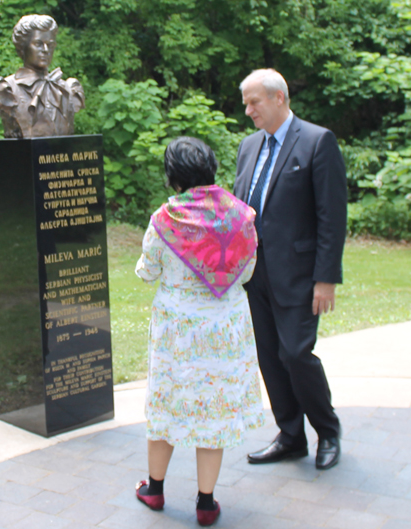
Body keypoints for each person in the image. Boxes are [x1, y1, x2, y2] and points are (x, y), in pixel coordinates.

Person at [135, 136, 264, 526]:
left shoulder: (165, 219)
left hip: (178, 330)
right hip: (224, 329)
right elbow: (247, 272)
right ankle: (206, 503)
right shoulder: (240, 216)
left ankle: (154, 490)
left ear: (174, 177)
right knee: (213, 410)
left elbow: (148, 271)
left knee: (167, 403)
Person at [233, 69, 347, 470]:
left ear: (279, 97)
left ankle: (327, 431)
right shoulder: (248, 147)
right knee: (269, 356)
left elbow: (331, 217)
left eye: (254, 102)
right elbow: (240, 209)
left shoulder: (317, 142)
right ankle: (291, 436)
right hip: (255, 275)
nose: (248, 110)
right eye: (246, 102)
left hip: (300, 275)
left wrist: (326, 278)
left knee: (296, 354)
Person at [0, 14, 85, 138]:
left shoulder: (67, 89)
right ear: (21, 48)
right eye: (38, 44)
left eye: (50, 45)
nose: (46, 49)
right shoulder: (3, 88)